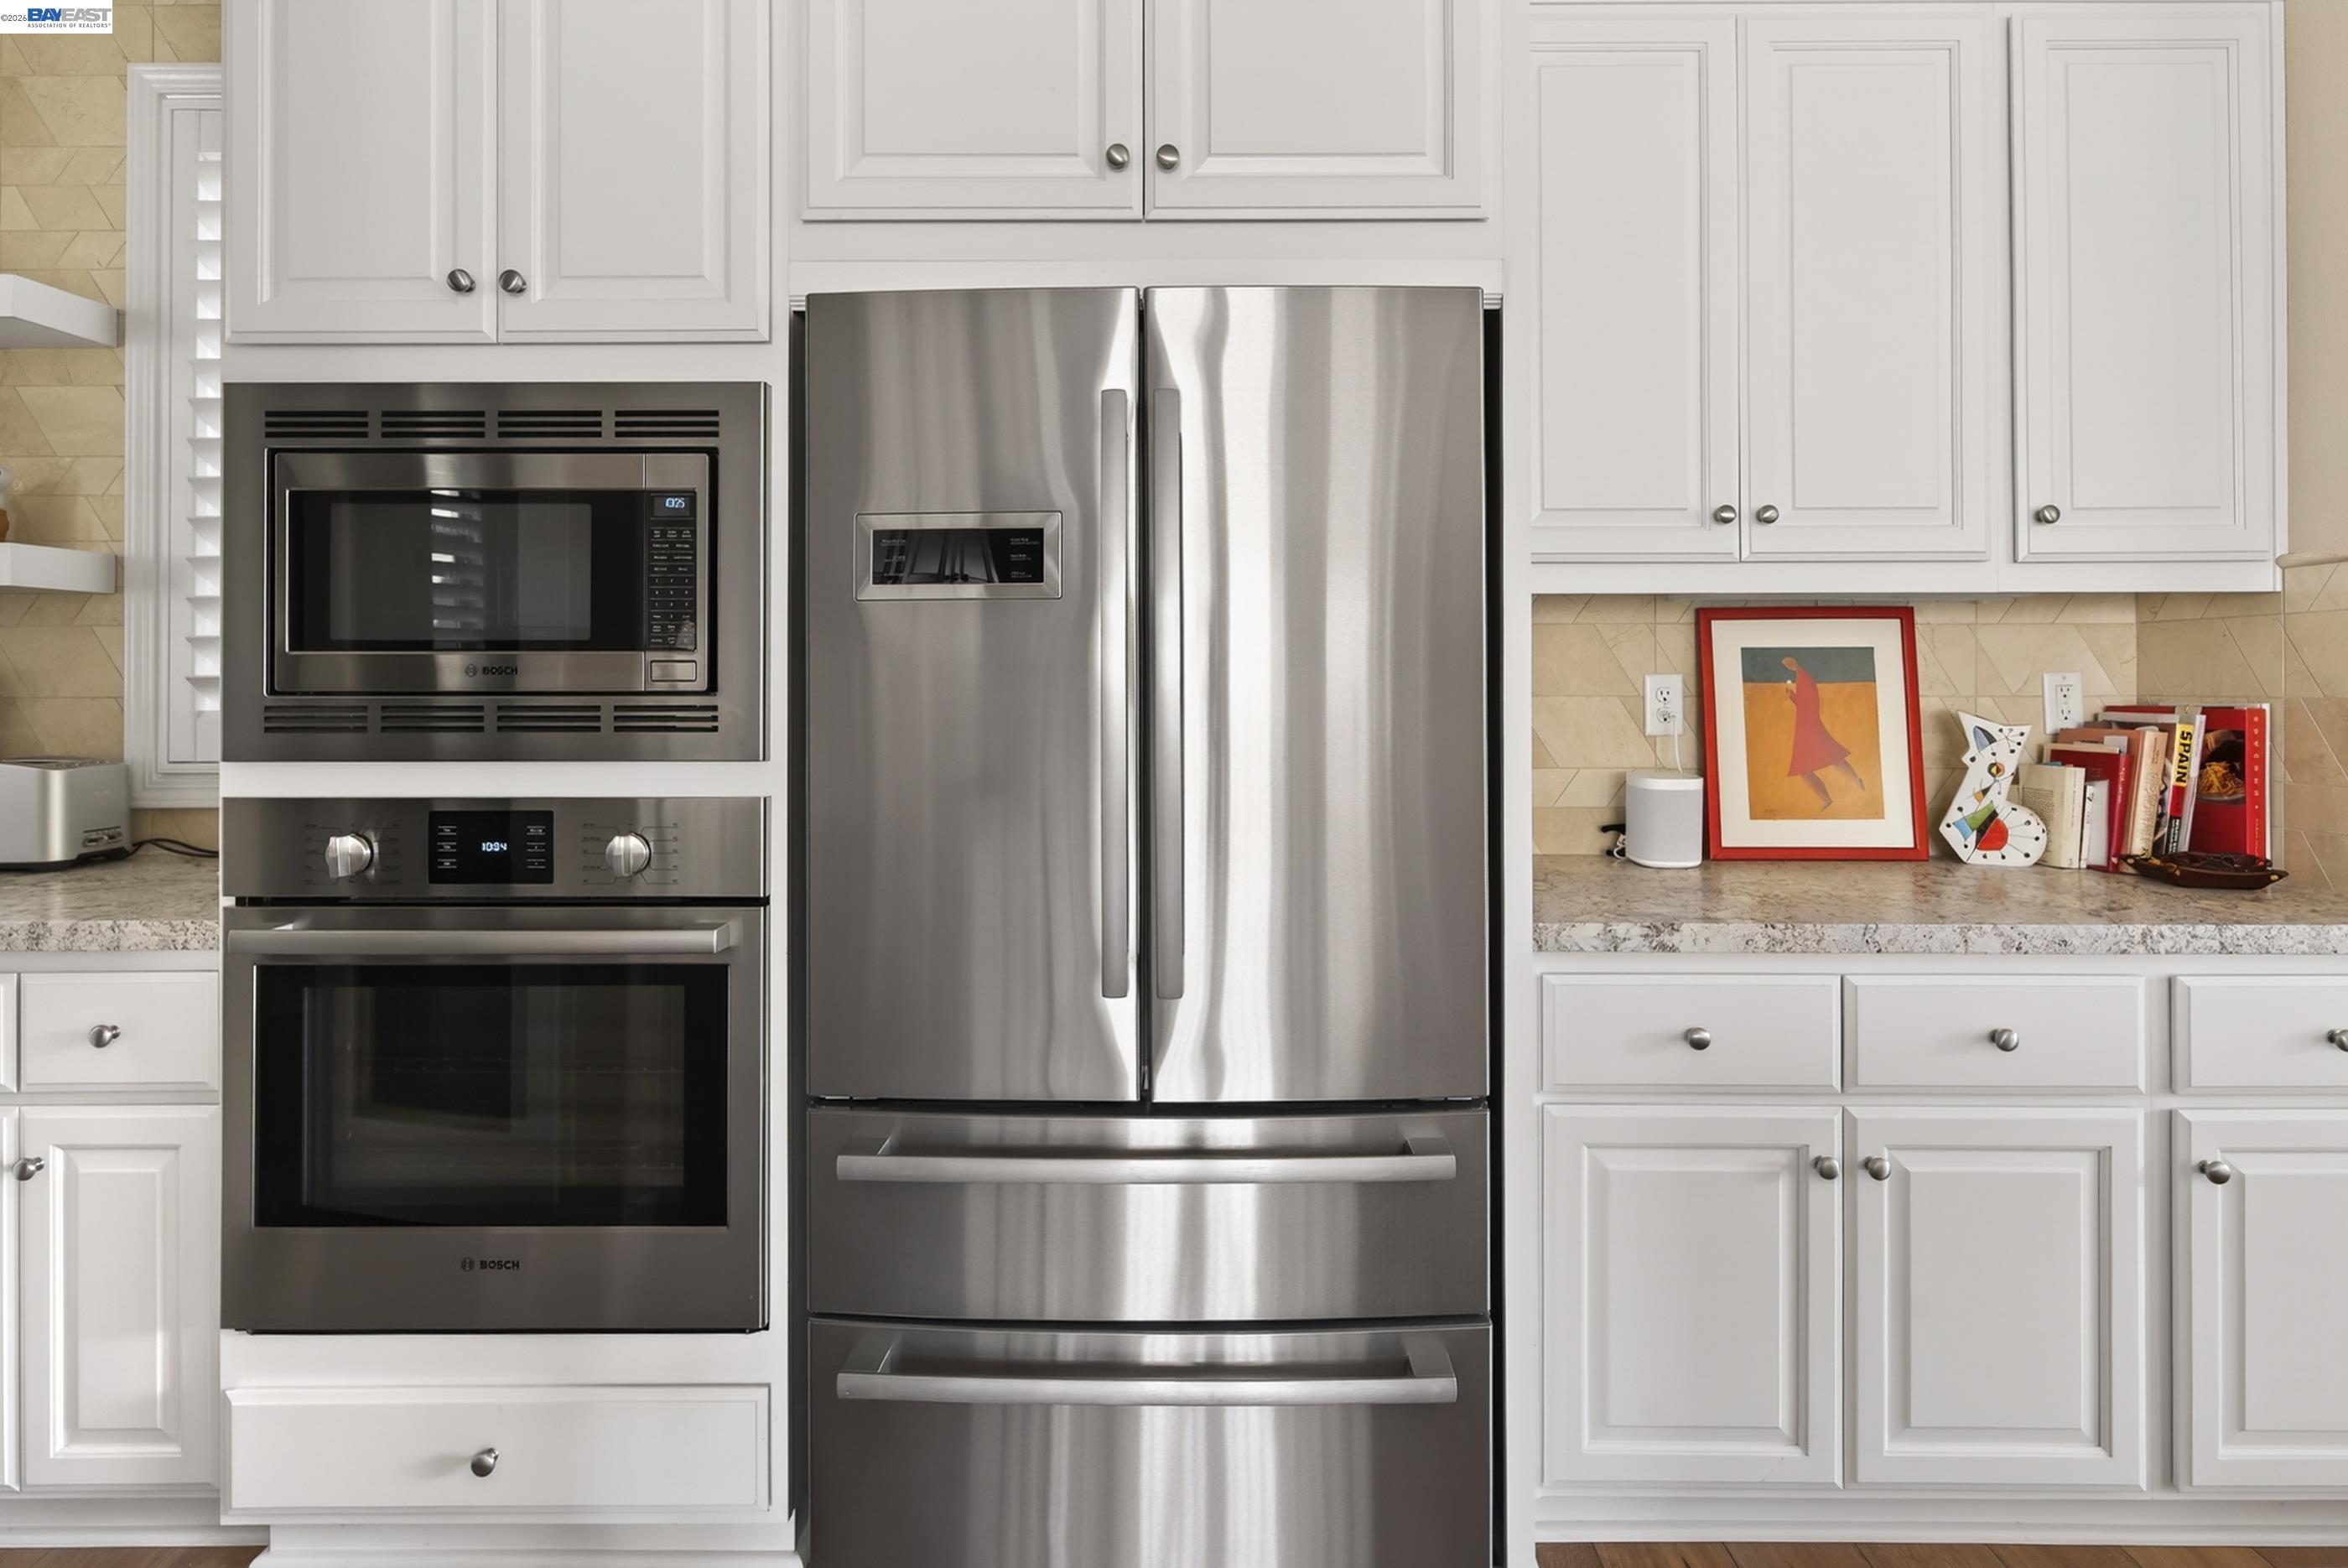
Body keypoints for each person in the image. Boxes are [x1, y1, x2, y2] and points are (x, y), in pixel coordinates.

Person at [1782, 655, 1867, 809]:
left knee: (1809, 766)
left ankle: (1831, 795)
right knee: (1830, 758)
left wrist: (1792, 696)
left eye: (1788, 663)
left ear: (1793, 662)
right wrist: (1793, 697)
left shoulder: (1804, 679)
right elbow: (1806, 704)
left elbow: (1809, 705)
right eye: (1786, 664)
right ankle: (1851, 782)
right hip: (1809, 726)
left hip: (1808, 728)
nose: (1787, 665)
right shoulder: (1803, 678)